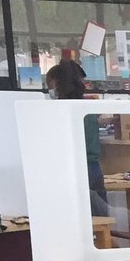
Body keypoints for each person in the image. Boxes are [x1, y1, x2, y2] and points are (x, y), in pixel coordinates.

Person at [45, 60, 109, 217]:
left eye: (49, 84)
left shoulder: (59, 110)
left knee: (77, 218)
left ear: (56, 83)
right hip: (94, 168)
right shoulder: (87, 107)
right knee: (101, 220)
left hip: (73, 169)